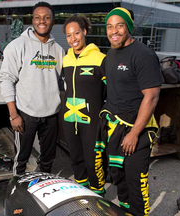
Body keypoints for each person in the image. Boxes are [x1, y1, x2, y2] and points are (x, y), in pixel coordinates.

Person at [94, 7, 164, 215]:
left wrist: (134, 134)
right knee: (118, 175)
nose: (113, 30)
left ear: (129, 27)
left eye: (119, 25)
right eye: (109, 26)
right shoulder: (110, 56)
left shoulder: (143, 55)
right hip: (114, 127)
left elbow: (151, 97)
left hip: (137, 129)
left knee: (136, 180)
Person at [0, 2, 65, 175]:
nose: (41, 21)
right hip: (25, 114)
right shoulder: (17, 46)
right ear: (32, 20)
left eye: (46, 17)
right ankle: (16, 191)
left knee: (48, 158)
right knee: (21, 158)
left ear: (53, 21)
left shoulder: (58, 50)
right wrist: (13, 115)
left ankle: (43, 188)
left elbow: (60, 83)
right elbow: (6, 79)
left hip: (51, 115)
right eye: (37, 17)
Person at [62, 16, 106, 195]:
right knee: (76, 158)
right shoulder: (66, 59)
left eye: (76, 33)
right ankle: (82, 191)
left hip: (91, 120)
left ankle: (98, 194)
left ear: (85, 32)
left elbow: (110, 90)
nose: (73, 39)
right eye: (68, 35)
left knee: (93, 161)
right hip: (69, 119)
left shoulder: (100, 58)